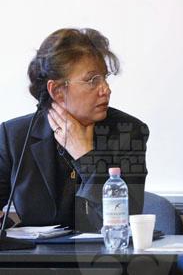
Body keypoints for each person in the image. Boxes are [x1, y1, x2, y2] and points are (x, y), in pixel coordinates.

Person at [0, 28, 149, 232]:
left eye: (104, 77)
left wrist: (85, 155)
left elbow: (127, 218)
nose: (106, 89)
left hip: (104, 251)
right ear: (57, 90)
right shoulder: (14, 136)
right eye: (92, 80)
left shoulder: (128, 132)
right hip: (37, 253)